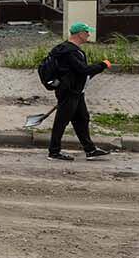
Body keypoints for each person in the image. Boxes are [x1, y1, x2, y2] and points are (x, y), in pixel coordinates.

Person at [46, 22, 113, 161]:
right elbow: (83, 70)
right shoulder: (69, 52)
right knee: (61, 121)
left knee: (82, 119)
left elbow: (80, 72)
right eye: (87, 32)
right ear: (79, 34)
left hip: (76, 91)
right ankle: (53, 152)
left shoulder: (69, 49)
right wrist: (102, 65)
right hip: (69, 91)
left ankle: (90, 150)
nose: (89, 34)